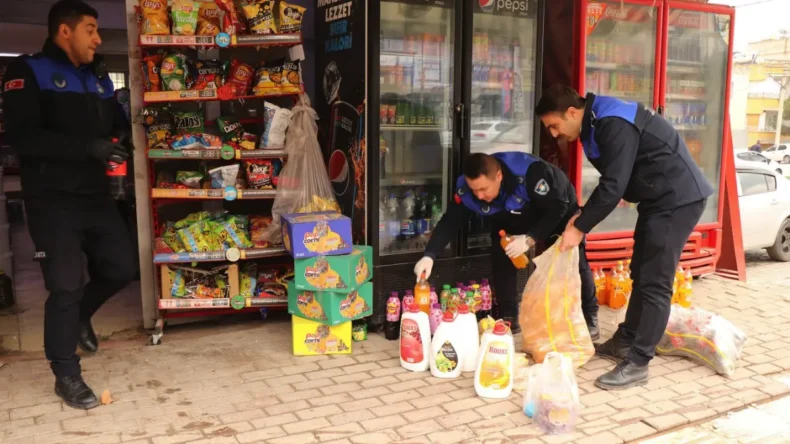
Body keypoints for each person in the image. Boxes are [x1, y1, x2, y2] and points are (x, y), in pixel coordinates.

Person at [3, 0, 135, 409]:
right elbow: (24, 138)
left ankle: (81, 316)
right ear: (65, 31)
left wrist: (122, 138)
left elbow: (116, 123)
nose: (98, 39)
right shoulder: (29, 70)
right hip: (52, 199)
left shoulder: (98, 77)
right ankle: (66, 373)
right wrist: (88, 148)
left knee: (121, 267)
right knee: (65, 285)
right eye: (91, 29)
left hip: (95, 195)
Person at [535, 85, 712, 390]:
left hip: (678, 199)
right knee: (640, 271)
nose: (553, 134)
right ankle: (626, 339)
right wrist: (583, 215)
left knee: (655, 281)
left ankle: (638, 362)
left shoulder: (611, 122)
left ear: (572, 113)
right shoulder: (596, 120)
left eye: (554, 126)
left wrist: (579, 227)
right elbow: (615, 180)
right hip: (658, 199)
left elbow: (613, 185)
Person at [413, 152, 599, 339]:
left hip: (556, 209)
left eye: (483, 189)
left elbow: (557, 208)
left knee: (573, 257)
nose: (479, 195)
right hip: (512, 214)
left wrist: (529, 238)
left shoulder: (531, 173)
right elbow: (450, 221)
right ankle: (509, 316)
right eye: (474, 189)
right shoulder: (467, 189)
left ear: (499, 176)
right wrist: (429, 255)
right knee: (501, 251)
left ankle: (589, 316)